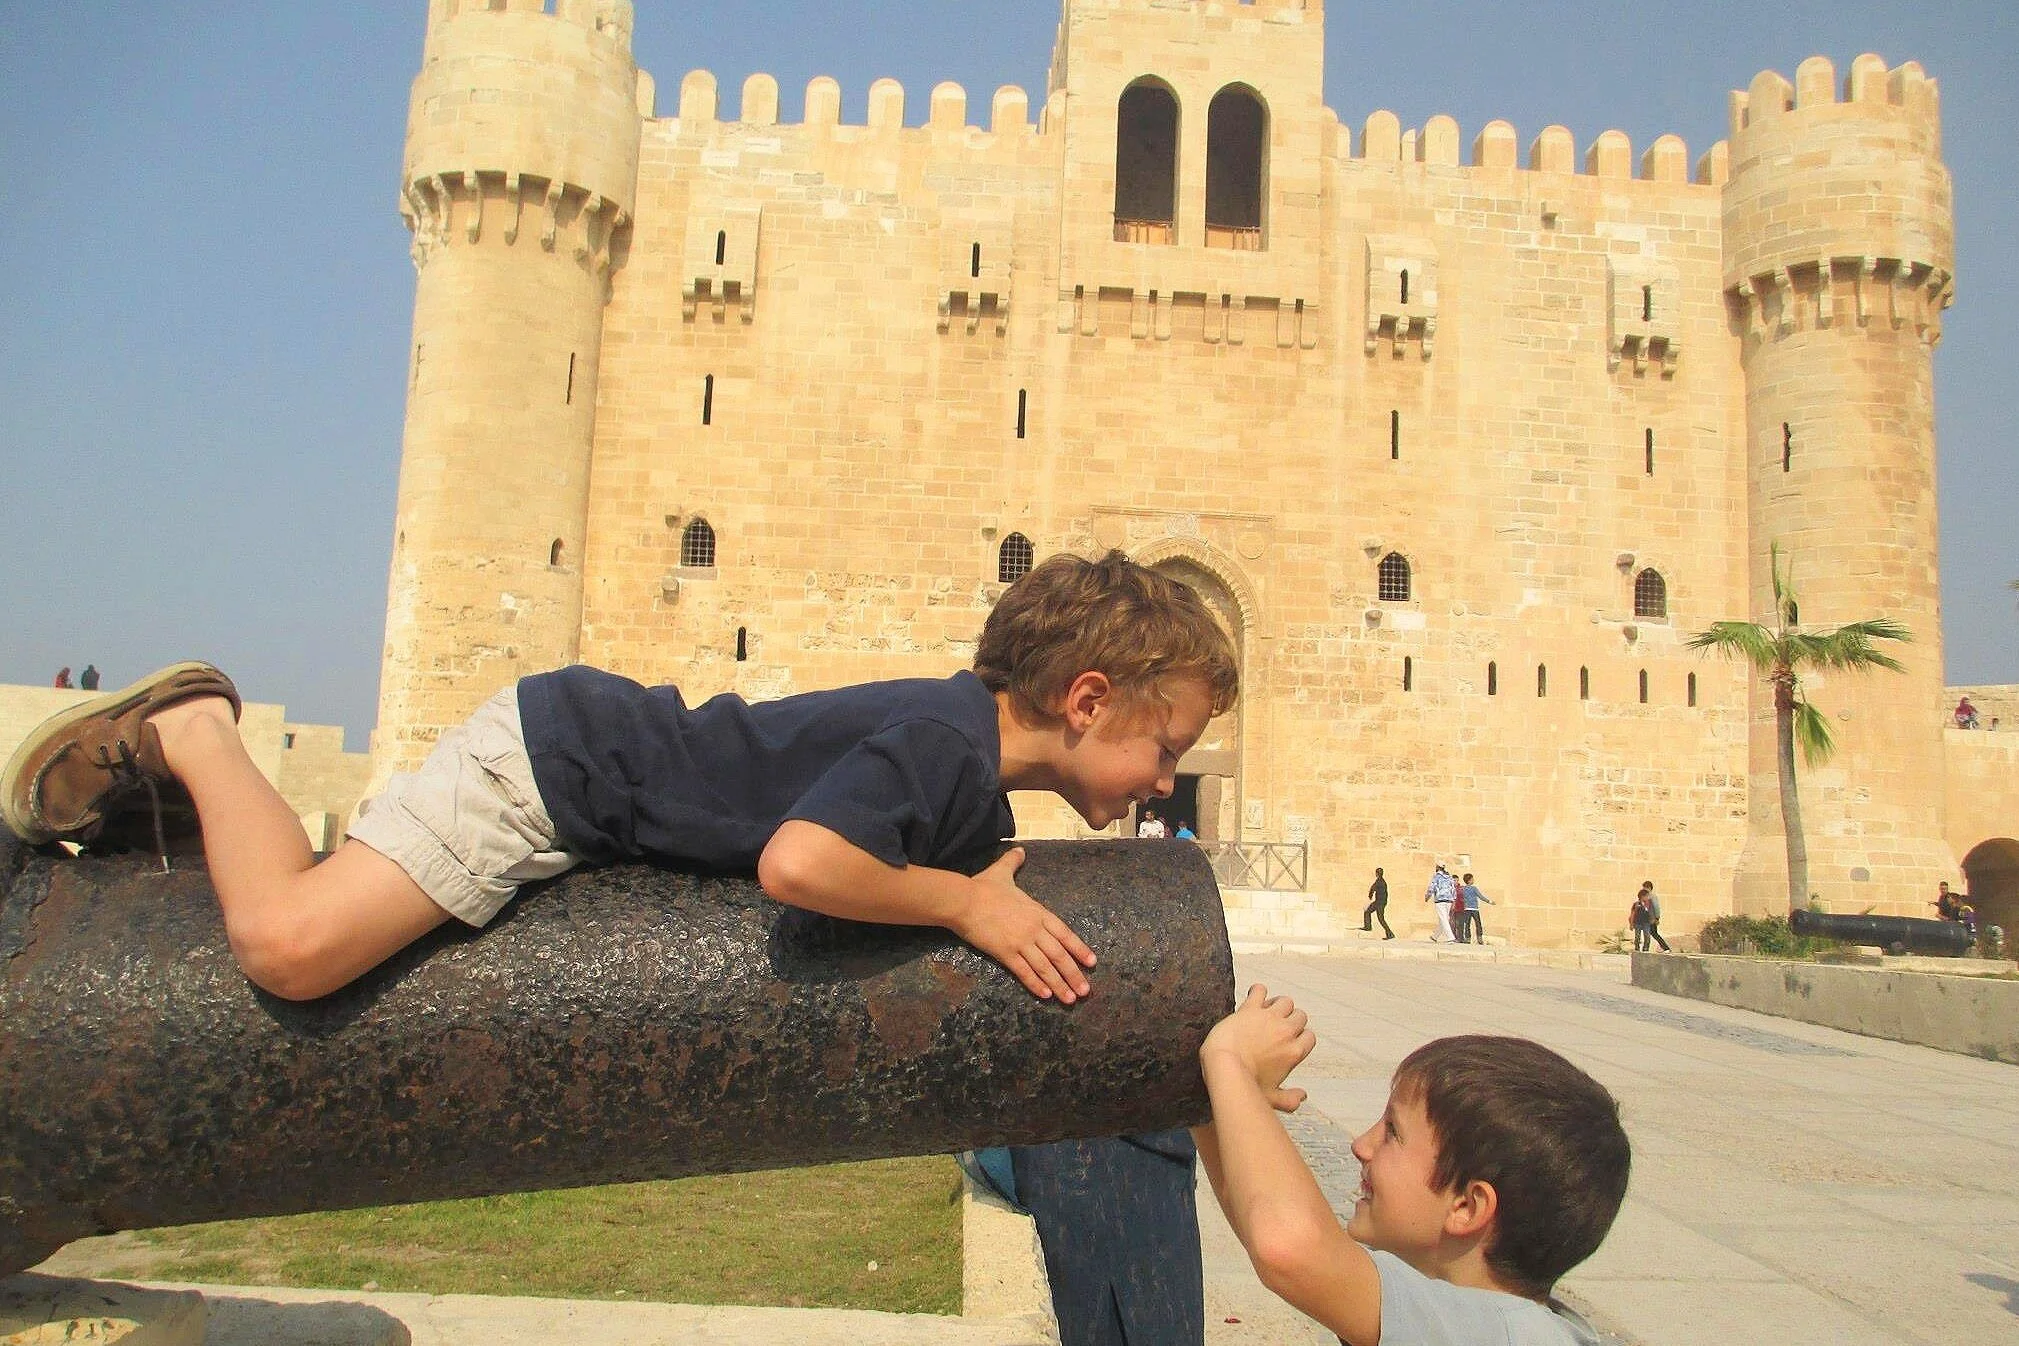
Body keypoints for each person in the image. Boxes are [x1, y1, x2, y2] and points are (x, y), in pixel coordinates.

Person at [1, 550, 1238, 1003]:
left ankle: (156, 826)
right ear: (1086, 699)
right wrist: (965, 900)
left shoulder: (966, 756)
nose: (1164, 779)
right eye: (1165, 745)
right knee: (288, 945)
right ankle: (197, 726)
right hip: (558, 765)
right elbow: (801, 862)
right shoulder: (948, 738)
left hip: (577, 765)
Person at [1193, 987, 1629, 1346]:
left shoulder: (1512, 1336)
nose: (1361, 1146)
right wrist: (1220, 1099)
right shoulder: (1447, 1309)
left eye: (1393, 1133)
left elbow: (1289, 1249)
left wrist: (1230, 1058)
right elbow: (1256, 1212)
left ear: (1467, 1207)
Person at [1425, 863, 1458, 942]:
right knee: (1444, 918)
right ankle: (1435, 936)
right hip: (1449, 900)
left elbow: (1432, 887)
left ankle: (1450, 937)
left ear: (1437, 867)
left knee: (1444, 918)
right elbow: (1453, 888)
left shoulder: (1437, 876)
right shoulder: (1449, 877)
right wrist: (1453, 899)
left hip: (1440, 900)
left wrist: (1427, 896)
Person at [1458, 873, 1494, 944]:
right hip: (1474, 909)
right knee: (1478, 924)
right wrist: (1489, 901)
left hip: (1467, 909)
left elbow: (1461, 898)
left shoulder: (1463, 889)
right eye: (1472, 879)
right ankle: (1479, 939)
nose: (1473, 880)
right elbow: (1480, 896)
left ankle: (1468, 939)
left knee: (1467, 924)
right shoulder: (1474, 888)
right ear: (1469, 880)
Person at [1362, 866, 1395, 940]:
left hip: (1379, 903)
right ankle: (1368, 926)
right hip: (1380, 902)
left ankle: (1390, 934)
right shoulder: (1382, 881)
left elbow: (1372, 888)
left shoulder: (1379, 881)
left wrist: (1370, 897)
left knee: (1380, 919)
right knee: (1368, 912)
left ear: (1376, 874)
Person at [1639, 881, 1670, 953]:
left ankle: (1665, 947)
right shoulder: (1646, 896)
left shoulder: (1652, 896)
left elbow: (1656, 907)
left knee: (1653, 933)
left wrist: (1657, 917)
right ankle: (1664, 947)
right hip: (1647, 918)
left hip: (1652, 918)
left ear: (1649, 888)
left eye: (1645, 888)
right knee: (1652, 933)